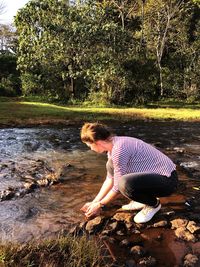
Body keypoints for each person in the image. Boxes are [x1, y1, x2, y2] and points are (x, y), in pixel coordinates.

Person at [80, 122, 178, 223]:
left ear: (97, 142)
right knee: (110, 165)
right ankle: (143, 200)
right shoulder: (113, 147)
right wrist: (95, 202)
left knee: (124, 184)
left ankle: (153, 205)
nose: (91, 149)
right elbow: (110, 179)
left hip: (168, 181)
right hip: (155, 178)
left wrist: (101, 205)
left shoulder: (119, 149)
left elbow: (117, 187)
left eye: (89, 146)